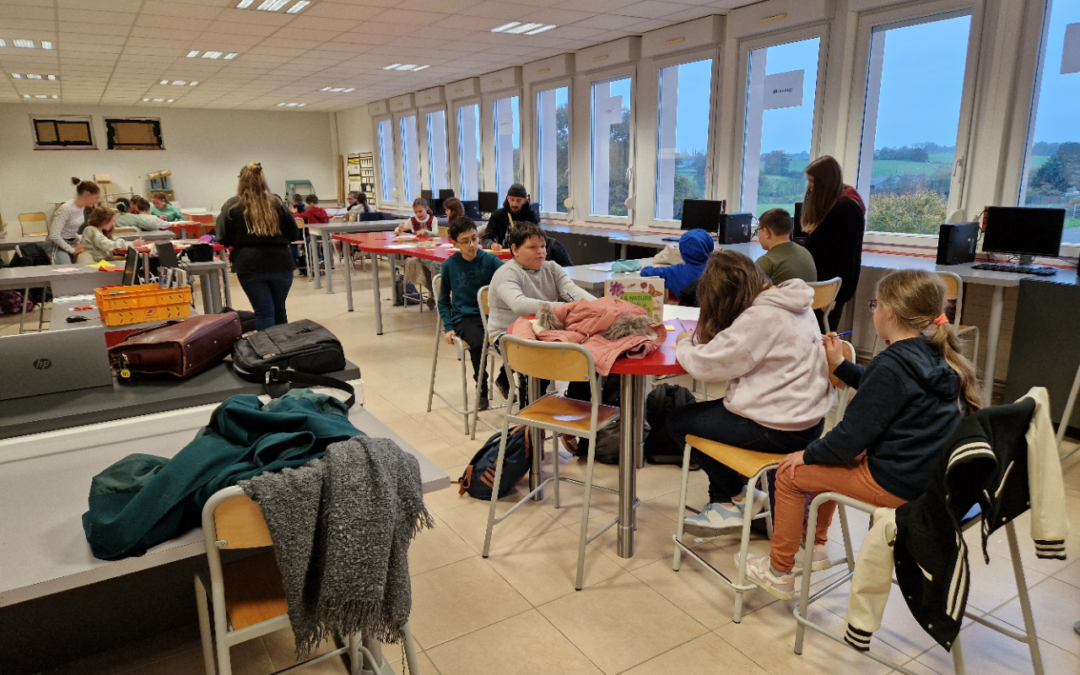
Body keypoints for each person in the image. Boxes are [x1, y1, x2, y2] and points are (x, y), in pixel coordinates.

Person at [742, 269, 983, 600]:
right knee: (826, 461)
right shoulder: (935, 352)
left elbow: (849, 439)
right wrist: (840, 365)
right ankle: (815, 547)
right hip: (927, 478)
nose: (873, 312)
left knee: (790, 473)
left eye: (874, 305)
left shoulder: (892, 364)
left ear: (889, 311)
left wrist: (806, 455)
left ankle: (778, 572)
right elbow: (884, 390)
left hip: (897, 483)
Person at [667, 250, 834, 536]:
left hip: (779, 427)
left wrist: (683, 343)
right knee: (711, 416)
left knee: (677, 423)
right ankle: (726, 501)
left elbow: (706, 366)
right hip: (810, 420)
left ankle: (740, 496)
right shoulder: (792, 300)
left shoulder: (760, 317)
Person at [487, 223, 596, 402]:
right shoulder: (505, 274)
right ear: (515, 249)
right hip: (509, 334)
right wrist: (562, 307)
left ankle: (577, 405)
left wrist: (601, 306)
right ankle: (529, 421)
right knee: (536, 364)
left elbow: (572, 292)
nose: (541, 252)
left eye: (543, 246)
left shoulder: (552, 269)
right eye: (532, 247)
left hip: (545, 330)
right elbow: (519, 305)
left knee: (589, 354)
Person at [217, 162, 299, 331]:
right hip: (281, 262)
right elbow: (293, 234)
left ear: (240, 181)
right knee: (279, 309)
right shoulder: (277, 203)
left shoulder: (232, 206)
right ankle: (285, 350)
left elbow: (222, 236)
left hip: (248, 263)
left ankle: (268, 351)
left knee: (263, 312)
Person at [438, 216, 506, 410]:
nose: (472, 244)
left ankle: (503, 377)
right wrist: (448, 327)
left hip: (492, 315)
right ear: (455, 243)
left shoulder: (490, 260)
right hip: (465, 317)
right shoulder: (449, 265)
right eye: (465, 241)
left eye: (474, 238)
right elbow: (443, 301)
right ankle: (482, 386)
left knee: (516, 337)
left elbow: (509, 279)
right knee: (479, 341)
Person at [801, 156, 866, 331]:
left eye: (812, 181)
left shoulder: (846, 209)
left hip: (830, 291)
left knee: (821, 338)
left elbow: (846, 260)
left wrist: (833, 296)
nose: (809, 186)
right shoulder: (834, 204)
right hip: (822, 288)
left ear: (825, 182)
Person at [640, 229, 715, 299]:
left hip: (686, 310)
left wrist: (655, 268)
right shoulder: (717, 270)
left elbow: (645, 272)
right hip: (713, 312)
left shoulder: (674, 271)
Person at [755, 208, 818, 285]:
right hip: (809, 297)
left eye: (759, 230)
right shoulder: (806, 253)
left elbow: (748, 292)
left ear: (767, 232)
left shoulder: (767, 261)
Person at [47, 178, 99, 263]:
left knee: (88, 260)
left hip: (72, 242)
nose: (97, 201)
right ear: (87, 194)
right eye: (96, 197)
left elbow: (70, 229)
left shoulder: (82, 207)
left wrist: (79, 239)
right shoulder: (66, 208)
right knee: (67, 270)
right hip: (57, 245)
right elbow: (54, 235)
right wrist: (72, 250)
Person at [482, 183, 540, 251]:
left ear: (525, 201)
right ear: (508, 198)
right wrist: (492, 244)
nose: (514, 204)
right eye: (512, 200)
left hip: (524, 254)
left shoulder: (531, 215)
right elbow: (486, 238)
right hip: (504, 253)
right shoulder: (498, 214)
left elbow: (537, 238)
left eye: (518, 201)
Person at [79, 206, 144, 263]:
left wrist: (130, 243)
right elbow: (108, 245)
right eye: (110, 221)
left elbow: (116, 240)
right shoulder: (90, 230)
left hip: (105, 261)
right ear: (101, 220)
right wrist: (132, 244)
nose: (112, 224)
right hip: (98, 264)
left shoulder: (101, 231)